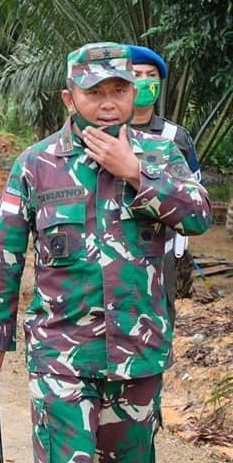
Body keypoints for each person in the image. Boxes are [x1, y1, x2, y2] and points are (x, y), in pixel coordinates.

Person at [0, 42, 212, 463]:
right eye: (93, 92)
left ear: (133, 92)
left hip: (138, 352)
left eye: (118, 91)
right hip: (61, 354)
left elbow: (198, 216)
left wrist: (135, 171)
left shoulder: (160, 153)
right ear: (70, 97)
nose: (106, 104)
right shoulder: (36, 164)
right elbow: (2, 255)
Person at [128, 44, 200, 309]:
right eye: (137, 74)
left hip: (160, 250)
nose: (144, 82)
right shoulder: (105, 134)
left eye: (151, 76)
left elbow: (194, 195)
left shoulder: (174, 137)